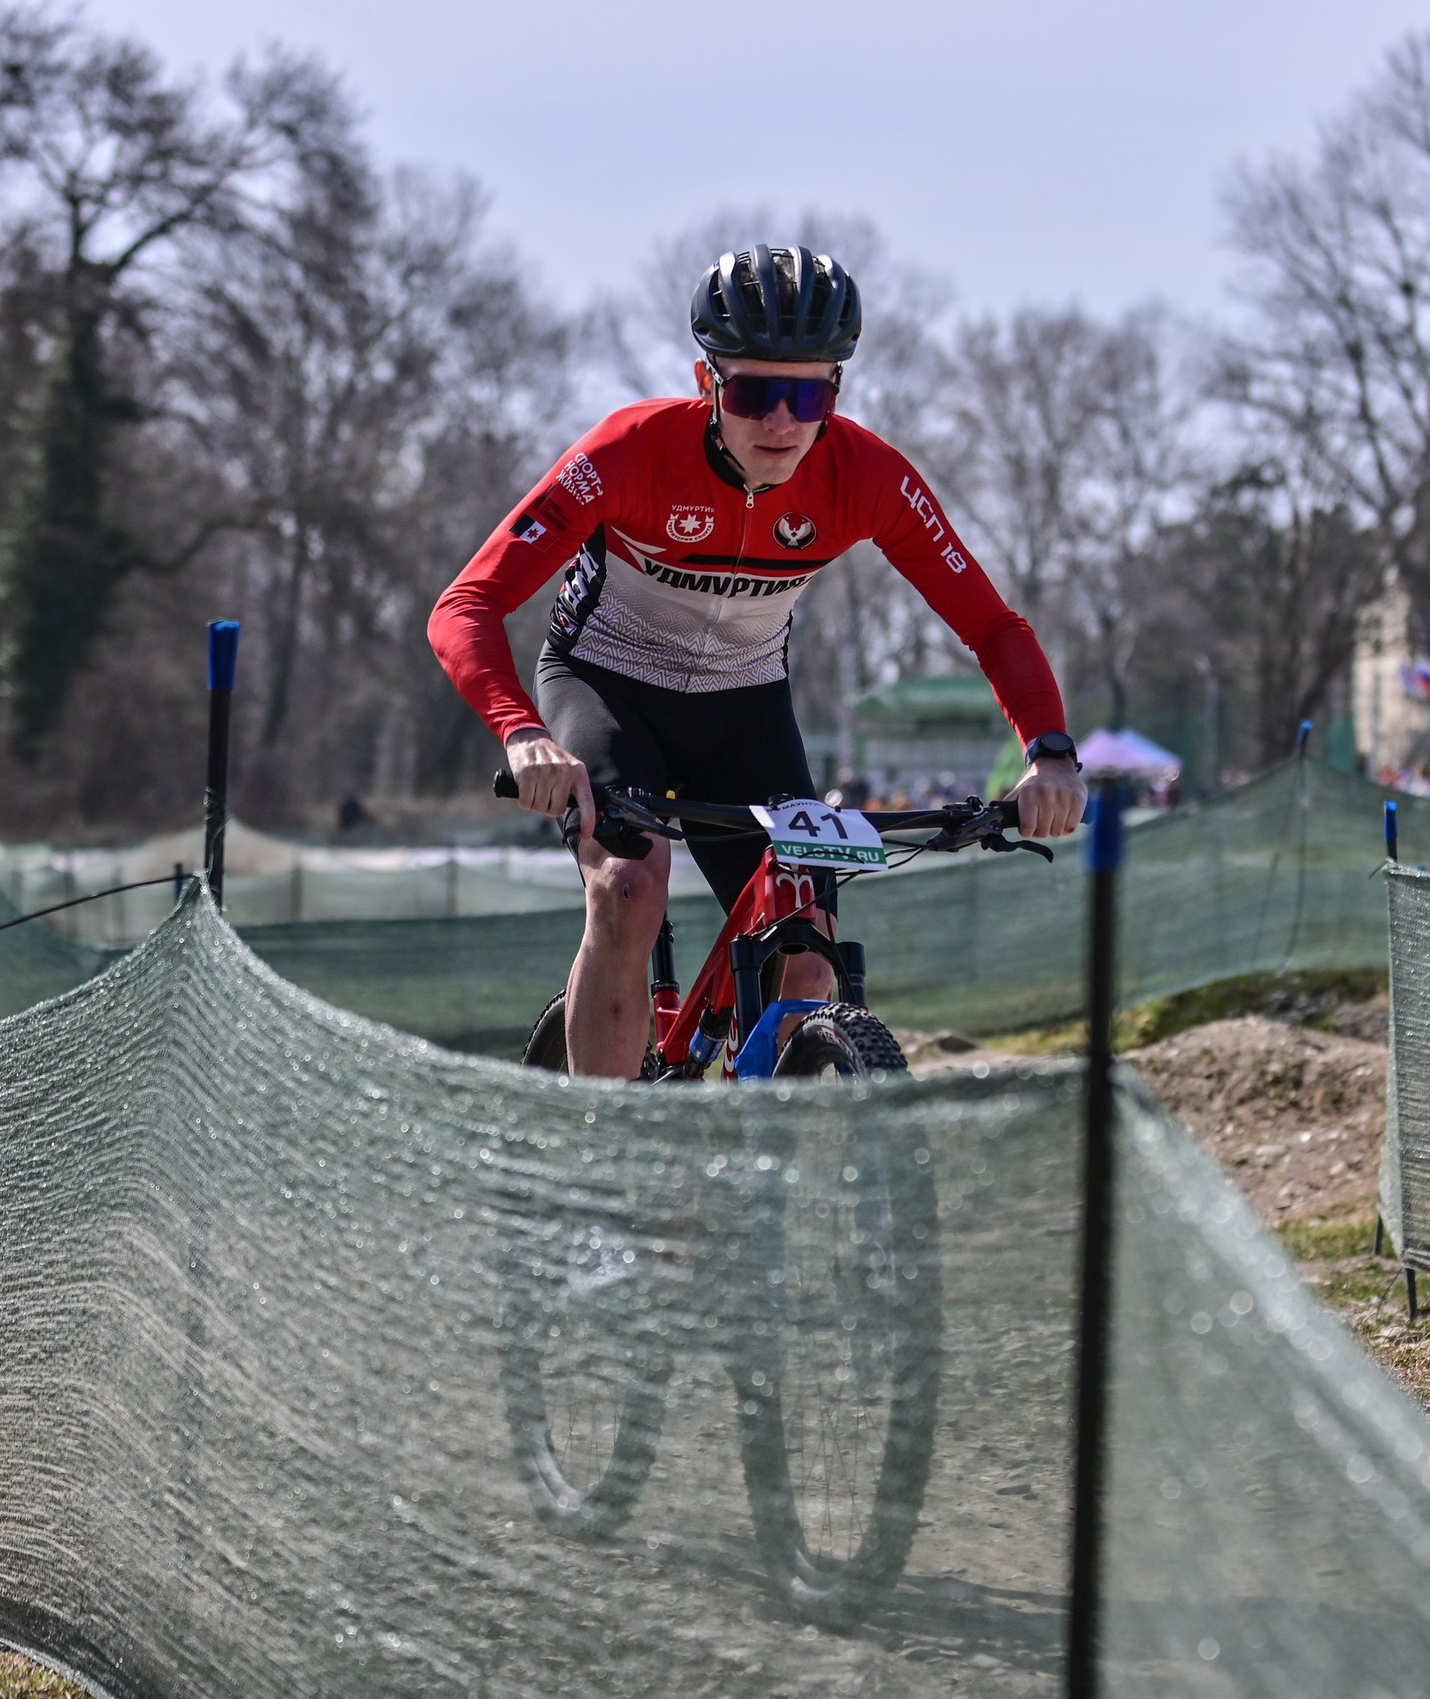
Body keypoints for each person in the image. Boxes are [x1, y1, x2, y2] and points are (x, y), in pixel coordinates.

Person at [428, 244, 1087, 1078]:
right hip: (607, 686)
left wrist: (1050, 752)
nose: (781, 420)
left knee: (808, 940)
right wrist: (523, 734)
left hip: (745, 706)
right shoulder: (630, 452)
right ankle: (605, 1157)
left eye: (807, 393)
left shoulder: (866, 477)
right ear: (708, 382)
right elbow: (466, 603)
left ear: (835, 394)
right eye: (752, 392)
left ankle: (771, 1153)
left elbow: (993, 626)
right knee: (630, 887)